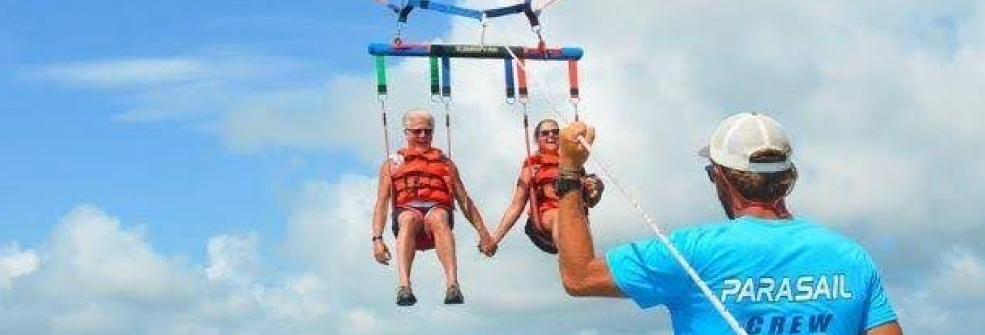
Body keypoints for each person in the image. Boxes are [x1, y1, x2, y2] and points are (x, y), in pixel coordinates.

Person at [554, 113, 903, 335]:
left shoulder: (692, 251)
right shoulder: (851, 257)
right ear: (788, 176)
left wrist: (570, 170)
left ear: (720, 177)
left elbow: (579, 276)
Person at [371, 109, 496, 306]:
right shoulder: (392, 164)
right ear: (407, 132)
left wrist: (483, 233)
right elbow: (381, 203)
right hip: (407, 212)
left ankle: (452, 285)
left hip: (436, 212)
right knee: (409, 219)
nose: (423, 136)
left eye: (428, 131)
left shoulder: (446, 163)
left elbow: (464, 201)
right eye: (417, 131)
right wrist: (377, 239)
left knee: (438, 217)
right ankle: (404, 286)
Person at [492, 118, 603, 254]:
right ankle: (569, 256)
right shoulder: (533, 165)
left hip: (575, 214)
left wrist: (596, 189)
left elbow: (589, 201)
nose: (551, 135)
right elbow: (516, 205)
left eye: (555, 132)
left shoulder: (573, 163)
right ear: (537, 139)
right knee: (561, 217)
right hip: (547, 217)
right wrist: (495, 239)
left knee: (575, 218)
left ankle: (584, 264)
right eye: (545, 133)